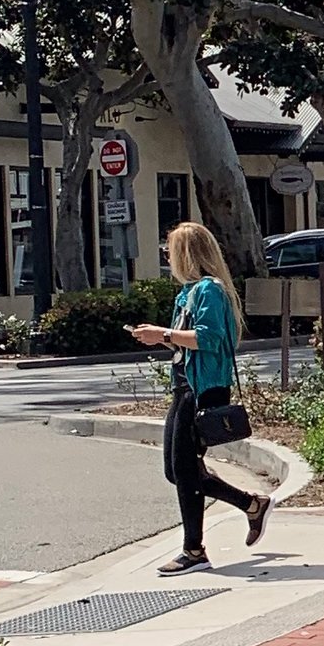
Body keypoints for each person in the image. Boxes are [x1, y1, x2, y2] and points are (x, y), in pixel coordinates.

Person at [131, 220, 271, 573]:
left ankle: (194, 550)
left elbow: (209, 338)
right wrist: (161, 337)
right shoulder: (188, 292)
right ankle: (250, 504)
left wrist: (163, 332)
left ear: (186, 254)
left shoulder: (209, 290)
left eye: (170, 251)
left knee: (184, 468)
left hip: (203, 387)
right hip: (185, 385)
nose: (167, 258)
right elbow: (188, 339)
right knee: (176, 470)